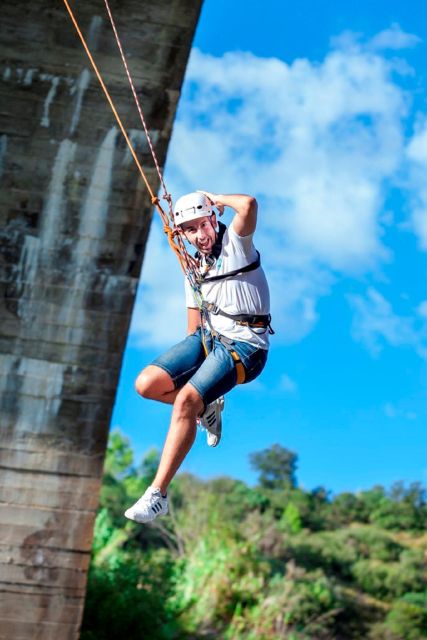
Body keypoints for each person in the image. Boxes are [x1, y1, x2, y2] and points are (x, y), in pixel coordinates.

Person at [124, 191, 272, 523]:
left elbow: (248, 204)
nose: (200, 236)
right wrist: (198, 371)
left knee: (185, 401)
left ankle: (158, 494)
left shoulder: (236, 244)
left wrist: (214, 197)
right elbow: (194, 329)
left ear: (213, 219)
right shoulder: (193, 271)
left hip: (246, 346)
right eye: (190, 230)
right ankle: (207, 406)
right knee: (147, 384)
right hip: (210, 339)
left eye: (203, 225)